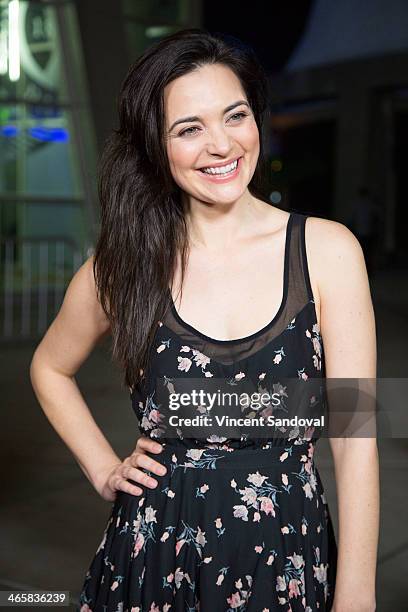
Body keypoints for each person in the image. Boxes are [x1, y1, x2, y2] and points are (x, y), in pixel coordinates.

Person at [29, 28, 379, 612]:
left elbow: (356, 435)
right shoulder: (125, 264)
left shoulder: (327, 251)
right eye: (189, 129)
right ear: (154, 146)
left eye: (235, 116)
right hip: (152, 555)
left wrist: (357, 595)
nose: (222, 144)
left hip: (284, 558)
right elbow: (49, 367)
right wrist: (102, 467)